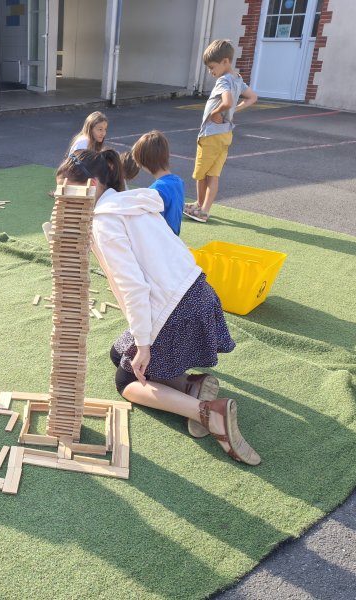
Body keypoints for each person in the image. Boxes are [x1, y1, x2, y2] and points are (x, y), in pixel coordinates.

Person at [55, 149, 260, 465]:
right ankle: (190, 385)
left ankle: (210, 413)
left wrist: (144, 344)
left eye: (67, 191)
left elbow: (133, 286)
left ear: (92, 185)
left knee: (126, 382)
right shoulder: (132, 202)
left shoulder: (104, 222)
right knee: (117, 354)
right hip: (198, 295)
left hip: (175, 311)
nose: (63, 199)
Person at [185, 39, 257, 223]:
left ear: (225, 61)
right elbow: (252, 97)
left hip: (211, 134)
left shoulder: (223, 80)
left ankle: (200, 208)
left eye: (212, 67)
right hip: (226, 134)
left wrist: (216, 112)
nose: (211, 72)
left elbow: (227, 101)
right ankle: (204, 208)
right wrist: (234, 110)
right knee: (213, 174)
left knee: (201, 173)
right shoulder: (237, 79)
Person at [131, 130, 185, 235]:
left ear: (144, 162)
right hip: (173, 239)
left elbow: (150, 227)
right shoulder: (178, 182)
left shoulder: (155, 191)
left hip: (160, 241)